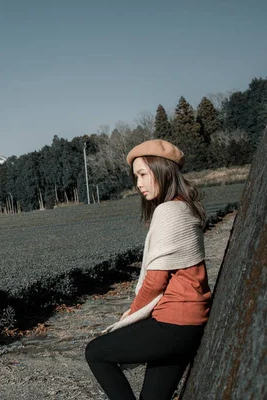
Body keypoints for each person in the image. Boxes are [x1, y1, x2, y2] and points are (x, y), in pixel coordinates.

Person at [85, 139, 211, 400]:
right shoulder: (184, 207)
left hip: (173, 323)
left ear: (162, 170)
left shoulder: (167, 211)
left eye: (143, 174)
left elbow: (154, 282)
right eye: (136, 177)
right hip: (192, 324)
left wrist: (131, 315)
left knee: (95, 353)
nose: (139, 184)